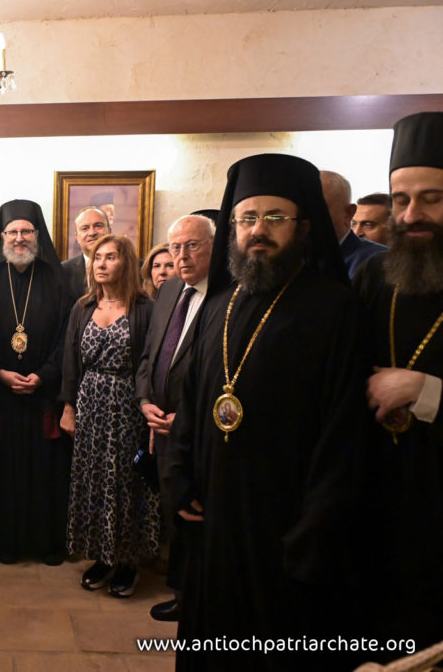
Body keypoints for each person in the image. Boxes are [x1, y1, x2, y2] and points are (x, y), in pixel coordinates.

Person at [167, 154, 363, 671]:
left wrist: (313, 530)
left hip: (284, 531)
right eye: (247, 218)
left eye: (275, 217)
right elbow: (191, 400)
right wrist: (178, 476)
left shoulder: (333, 309)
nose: (259, 230)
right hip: (214, 519)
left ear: (304, 226)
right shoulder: (219, 303)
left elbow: (343, 434)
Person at [355, 111, 443, 657]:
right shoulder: (374, 274)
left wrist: (424, 390)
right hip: (376, 499)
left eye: (432, 198)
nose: (412, 215)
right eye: (401, 199)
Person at [59, 234, 158, 598]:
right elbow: (71, 360)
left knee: (126, 483)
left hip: (128, 405)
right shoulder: (83, 306)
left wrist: (146, 407)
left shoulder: (145, 308)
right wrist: (68, 407)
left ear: (126, 263)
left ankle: (127, 562)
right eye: (98, 257)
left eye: (110, 257)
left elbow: (150, 362)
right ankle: (101, 556)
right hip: (90, 404)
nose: (101, 263)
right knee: (93, 481)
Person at [0, 199, 71, 565]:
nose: (19, 238)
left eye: (26, 231)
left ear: (37, 235)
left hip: (44, 393)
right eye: (12, 232)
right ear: (2, 236)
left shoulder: (57, 280)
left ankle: (48, 543)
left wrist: (44, 374)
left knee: (47, 470)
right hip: (3, 396)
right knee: (5, 470)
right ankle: (8, 542)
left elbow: (68, 336)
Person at [134, 214, 215, 622]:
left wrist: (184, 418)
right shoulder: (169, 292)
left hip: (197, 431)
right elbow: (149, 355)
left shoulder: (224, 297)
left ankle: (199, 599)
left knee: (196, 512)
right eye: (175, 247)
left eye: (192, 246)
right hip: (159, 424)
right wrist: (144, 400)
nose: (181, 256)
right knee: (175, 511)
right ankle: (183, 594)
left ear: (215, 247)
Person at [319, 170, 385, 278]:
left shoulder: (380, 263)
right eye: (354, 224)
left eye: (368, 224)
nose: (357, 232)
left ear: (348, 213)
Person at [61, 207, 111, 298]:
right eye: (85, 228)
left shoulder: (134, 267)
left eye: (98, 226)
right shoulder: (62, 272)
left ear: (109, 231)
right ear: (77, 237)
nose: (92, 233)